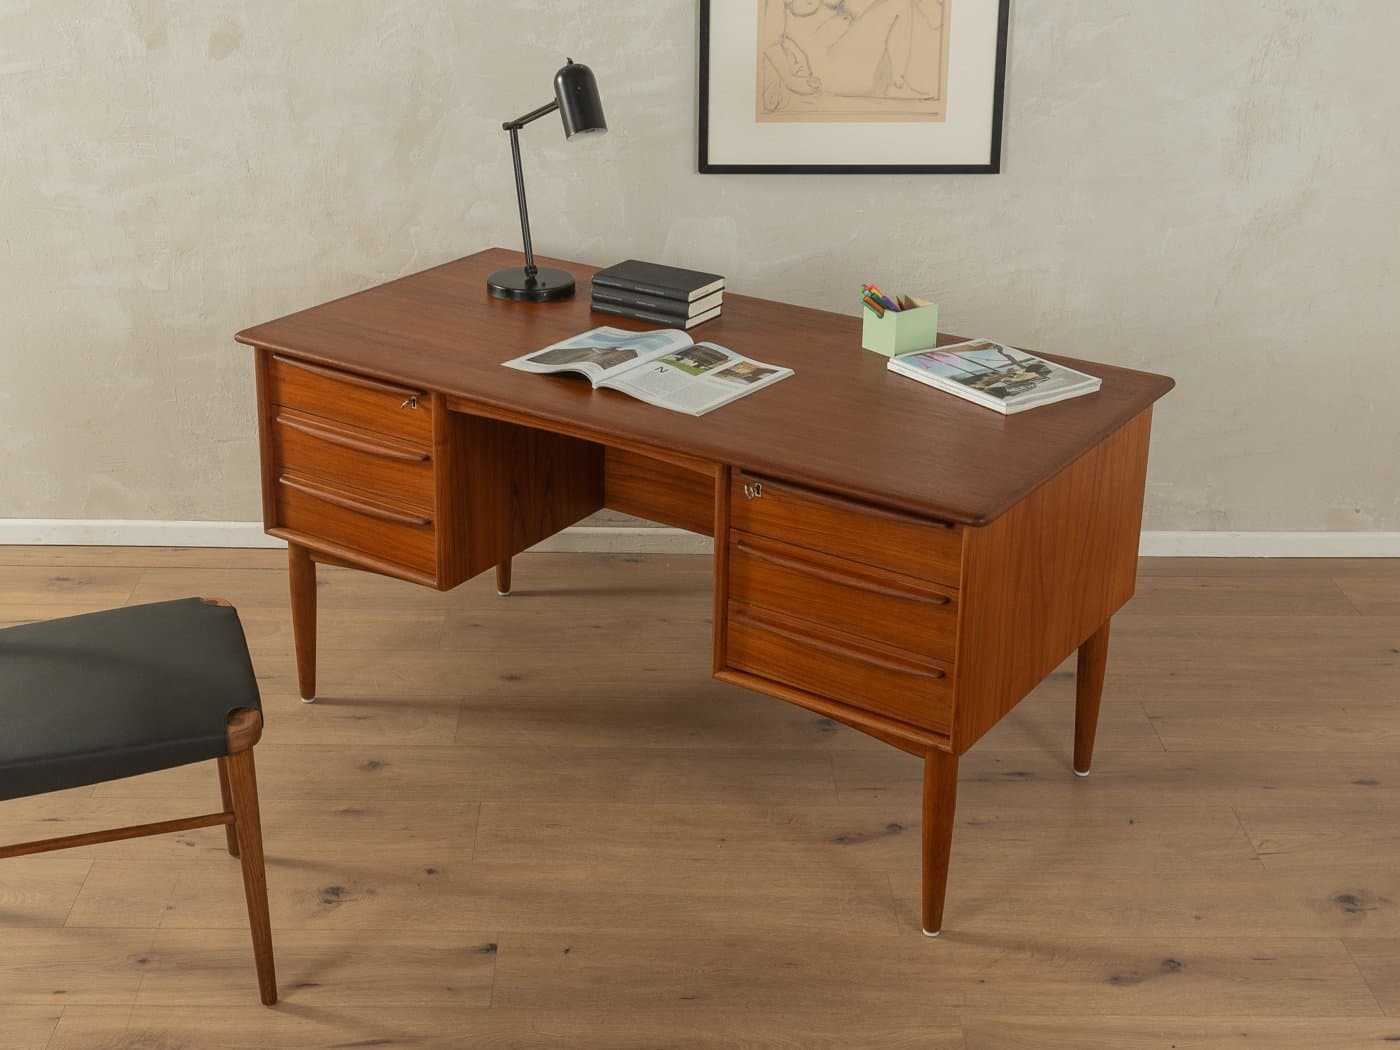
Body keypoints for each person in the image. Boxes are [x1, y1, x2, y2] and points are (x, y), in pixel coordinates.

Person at [761, 0, 937, 101]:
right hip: (829, 72)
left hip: (854, 61)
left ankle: (897, 83)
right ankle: (897, 85)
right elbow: (770, 43)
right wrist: (791, 80)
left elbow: (857, 11)